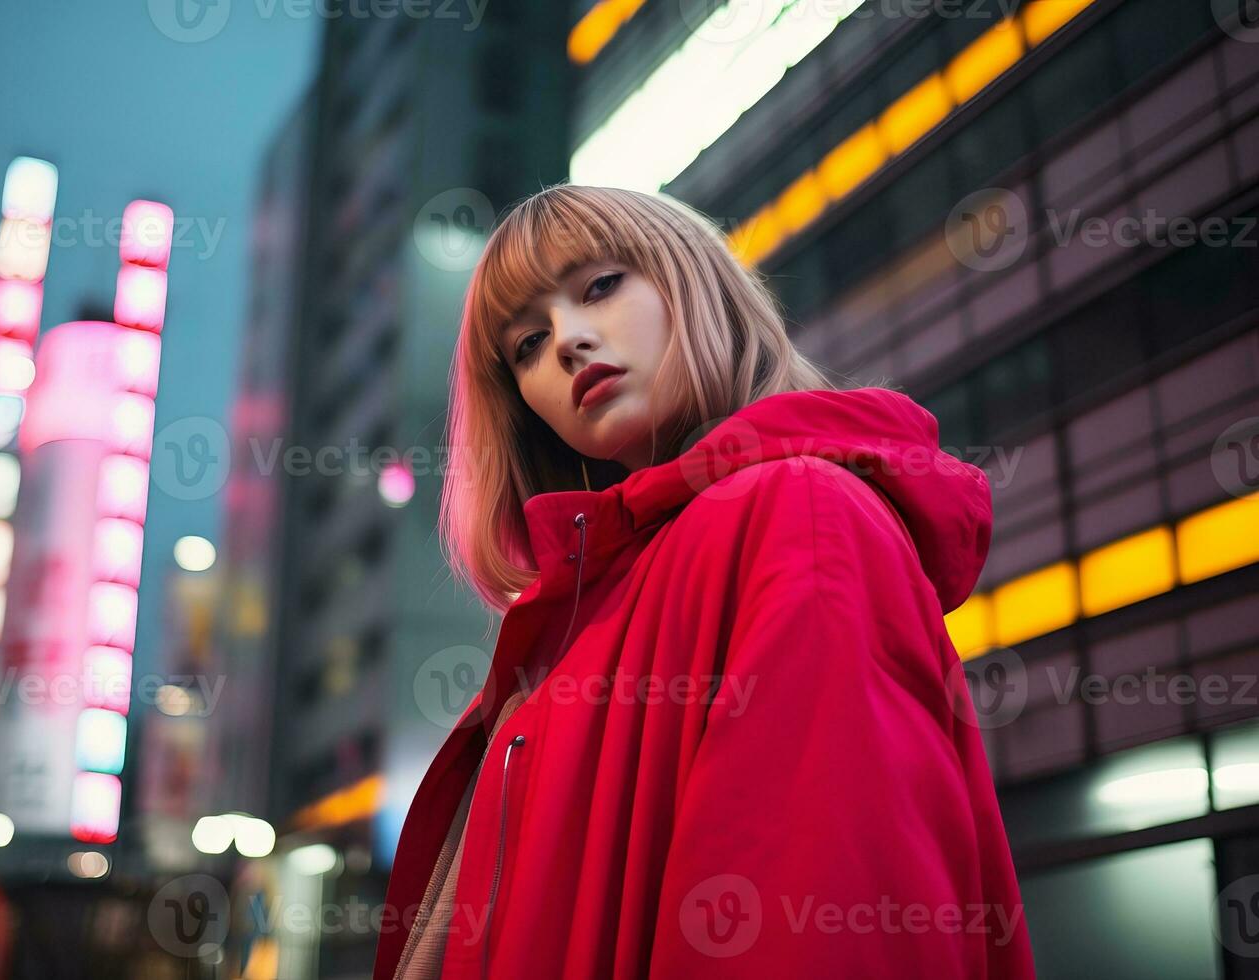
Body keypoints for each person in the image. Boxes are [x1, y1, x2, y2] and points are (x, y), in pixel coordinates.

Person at [373, 184, 1036, 979]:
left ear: (692, 280)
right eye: (526, 344)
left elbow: (812, 920)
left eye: (601, 286)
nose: (569, 343)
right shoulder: (587, 607)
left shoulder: (801, 512)